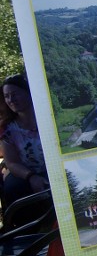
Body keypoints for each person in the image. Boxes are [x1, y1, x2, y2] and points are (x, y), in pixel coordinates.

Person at [1, 74, 48, 207]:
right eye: (6, 96)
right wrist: (31, 176)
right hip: (27, 173)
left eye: (15, 94)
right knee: (12, 188)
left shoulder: (48, 119)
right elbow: (11, 162)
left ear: (28, 92)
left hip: (55, 170)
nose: (11, 100)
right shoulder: (8, 129)